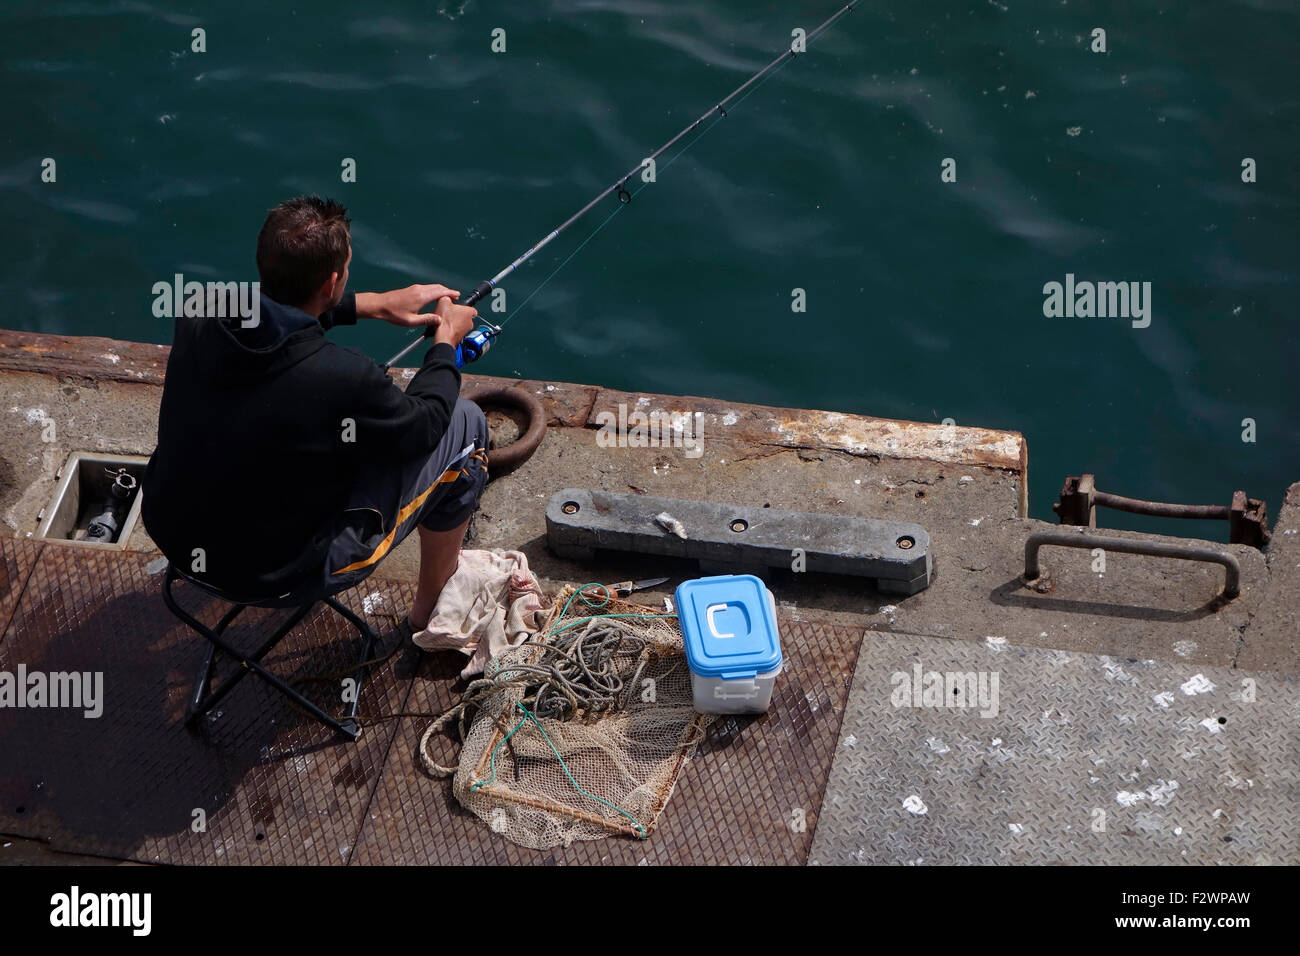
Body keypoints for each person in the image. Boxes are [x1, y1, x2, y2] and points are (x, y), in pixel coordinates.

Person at [142, 195, 488, 632]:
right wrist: (446, 345)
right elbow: (425, 425)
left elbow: (267, 317)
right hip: (280, 578)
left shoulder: (200, 309)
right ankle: (428, 615)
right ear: (332, 282)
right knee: (467, 424)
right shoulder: (344, 377)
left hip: (175, 538)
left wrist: (372, 304)